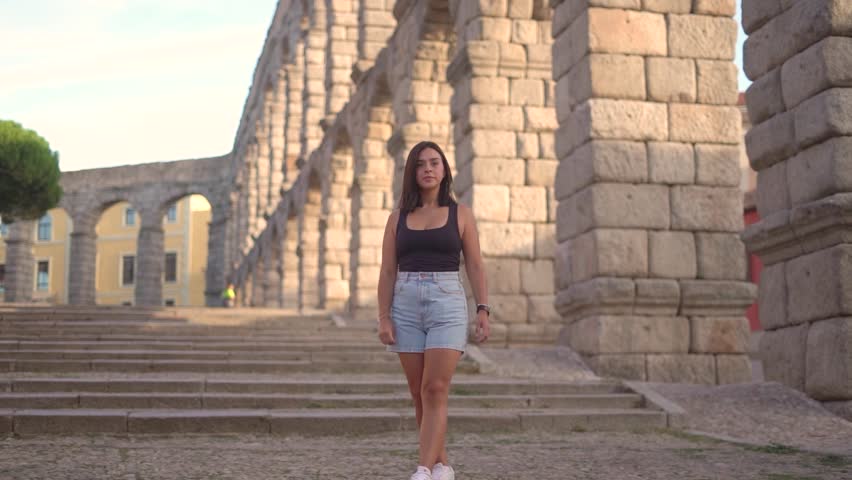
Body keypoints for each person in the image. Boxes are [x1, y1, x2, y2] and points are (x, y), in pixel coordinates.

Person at [377, 140, 490, 480]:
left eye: (434, 163)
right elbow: (386, 271)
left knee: (435, 388)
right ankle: (441, 465)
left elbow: (474, 264)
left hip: (447, 301)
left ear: (444, 171)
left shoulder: (461, 214)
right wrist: (384, 316)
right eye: (420, 164)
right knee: (418, 392)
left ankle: (423, 470)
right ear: (412, 172)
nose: (427, 168)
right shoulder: (397, 218)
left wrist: (483, 308)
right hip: (406, 301)